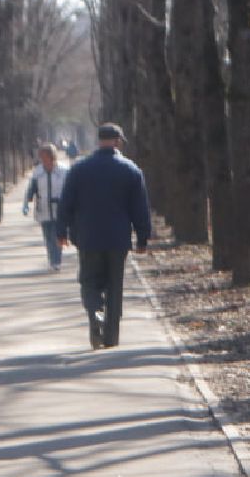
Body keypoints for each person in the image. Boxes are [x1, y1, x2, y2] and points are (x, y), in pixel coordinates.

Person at [56, 122, 152, 350]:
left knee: (89, 280)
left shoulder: (79, 169)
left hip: (87, 236)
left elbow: (66, 203)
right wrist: (142, 238)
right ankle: (111, 335)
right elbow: (140, 208)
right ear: (118, 142)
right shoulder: (130, 170)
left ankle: (94, 312)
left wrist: (61, 231)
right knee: (114, 284)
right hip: (118, 238)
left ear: (98, 141)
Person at [22, 142, 68, 271]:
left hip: (59, 209)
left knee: (57, 235)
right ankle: (51, 259)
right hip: (43, 209)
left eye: (44, 156)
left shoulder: (64, 171)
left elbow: (71, 190)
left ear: (52, 156)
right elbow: (31, 190)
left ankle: (56, 260)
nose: (42, 159)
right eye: (41, 156)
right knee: (48, 236)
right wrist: (26, 203)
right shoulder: (38, 172)